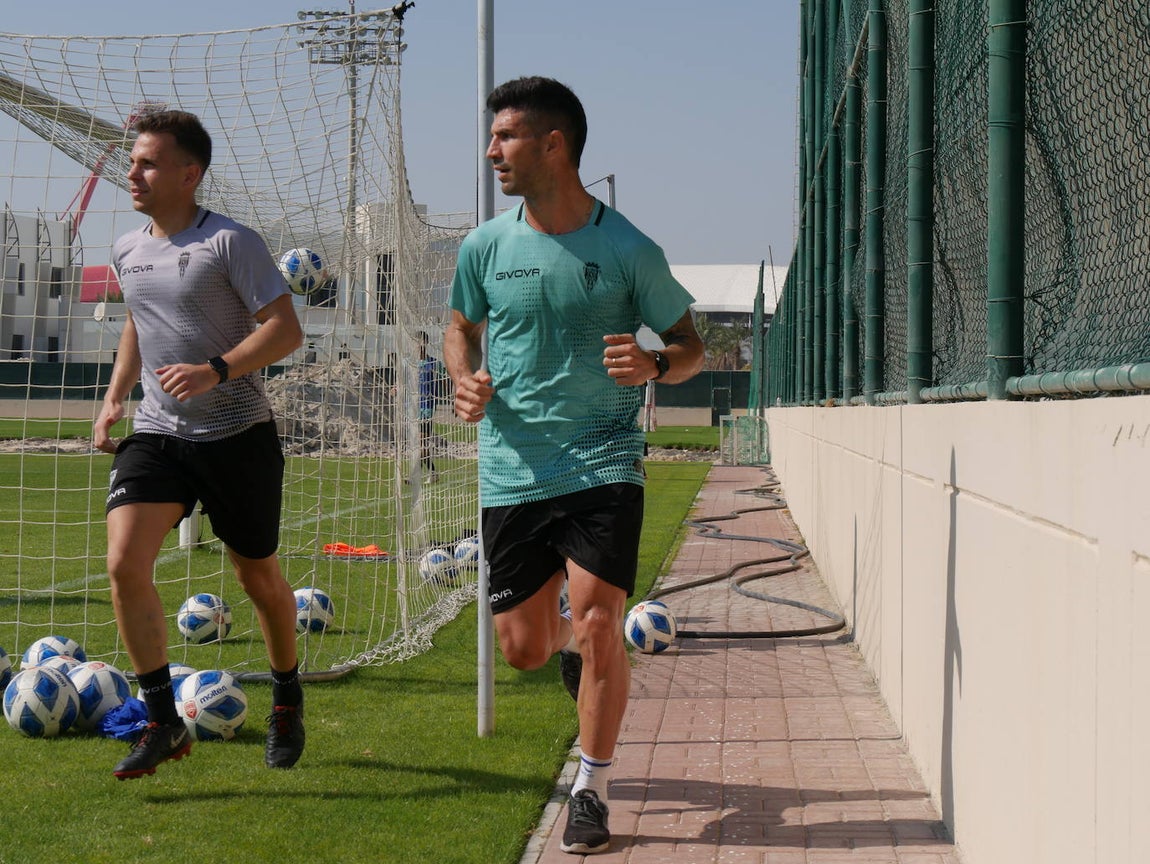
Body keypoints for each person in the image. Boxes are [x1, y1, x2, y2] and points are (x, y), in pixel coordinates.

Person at [445, 76, 704, 855]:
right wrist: (464, 376)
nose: (492, 151)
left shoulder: (629, 249)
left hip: (604, 461)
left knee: (599, 622)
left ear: (553, 145)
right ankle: (564, 649)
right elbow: (459, 325)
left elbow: (689, 347)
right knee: (524, 647)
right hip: (513, 469)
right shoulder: (485, 245)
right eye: (493, 138)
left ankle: (590, 786)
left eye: (506, 138)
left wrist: (656, 364)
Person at [93, 110, 306, 780]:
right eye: (133, 162)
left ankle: (286, 698)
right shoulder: (128, 249)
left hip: (238, 436)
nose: (133, 172)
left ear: (190, 173)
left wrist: (216, 368)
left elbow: (285, 330)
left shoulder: (231, 243)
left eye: (149, 162)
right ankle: (161, 722)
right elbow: (139, 320)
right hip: (159, 433)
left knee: (259, 579)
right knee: (125, 562)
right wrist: (114, 397)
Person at [417, 332, 439, 481]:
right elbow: (405, 381)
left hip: (427, 408)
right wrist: (396, 388)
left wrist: (453, 399)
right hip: (413, 409)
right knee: (421, 445)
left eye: (421, 342)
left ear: (426, 343)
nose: (418, 345)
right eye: (416, 342)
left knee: (421, 443)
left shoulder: (433, 363)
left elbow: (444, 380)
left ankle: (415, 476)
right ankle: (433, 473)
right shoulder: (410, 362)